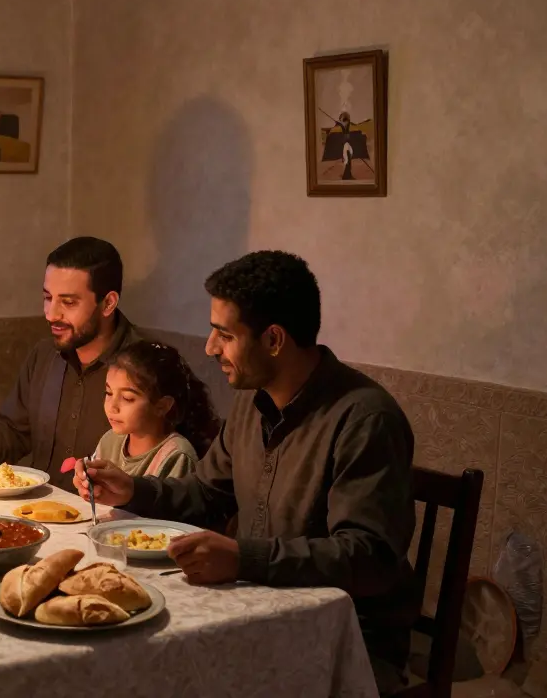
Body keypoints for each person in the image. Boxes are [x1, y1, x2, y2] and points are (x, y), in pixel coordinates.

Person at [73, 251, 416, 695]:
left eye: (224, 334)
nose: (210, 348)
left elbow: (366, 557)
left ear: (273, 339)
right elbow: (205, 493)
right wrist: (131, 489)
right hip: (258, 608)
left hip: (342, 638)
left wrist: (243, 557)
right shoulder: (254, 405)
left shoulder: (365, 419)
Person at [0, 237, 145, 491]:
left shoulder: (147, 366)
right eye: (48, 297)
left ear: (108, 303)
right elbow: (13, 430)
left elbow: (175, 470)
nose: (51, 313)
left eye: (68, 302)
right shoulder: (45, 355)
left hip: (112, 524)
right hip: (42, 515)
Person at [92, 340, 220, 479]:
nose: (112, 406)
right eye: (108, 393)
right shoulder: (110, 440)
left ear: (162, 406)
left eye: (127, 398)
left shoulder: (176, 455)